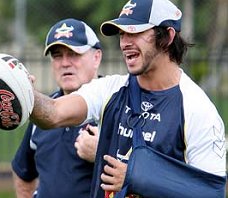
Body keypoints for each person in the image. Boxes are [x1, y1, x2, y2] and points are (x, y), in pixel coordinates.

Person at [29, 0, 226, 197]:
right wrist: (25, 95)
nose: (124, 43)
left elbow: (211, 192)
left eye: (135, 32)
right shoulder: (111, 89)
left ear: (167, 37)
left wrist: (137, 177)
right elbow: (54, 113)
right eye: (122, 34)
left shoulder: (197, 110)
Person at [11, 18, 103, 198]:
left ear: (96, 57)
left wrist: (103, 153)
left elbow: (143, 175)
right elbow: (23, 171)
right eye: (57, 55)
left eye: (74, 54)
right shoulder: (44, 112)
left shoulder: (117, 105)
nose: (65, 63)